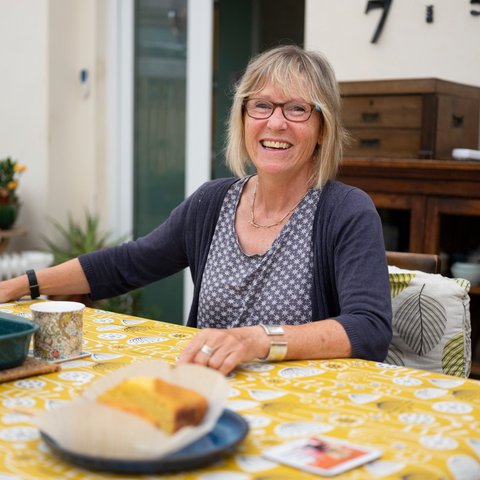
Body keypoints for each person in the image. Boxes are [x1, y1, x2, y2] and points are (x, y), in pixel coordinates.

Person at [0, 45, 392, 375]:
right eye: (261, 106)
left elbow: (369, 328)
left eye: (297, 109)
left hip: (307, 411)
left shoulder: (346, 211)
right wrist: (21, 285)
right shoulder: (213, 203)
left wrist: (256, 339)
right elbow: (126, 264)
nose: (276, 122)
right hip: (208, 396)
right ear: (243, 119)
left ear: (322, 129)